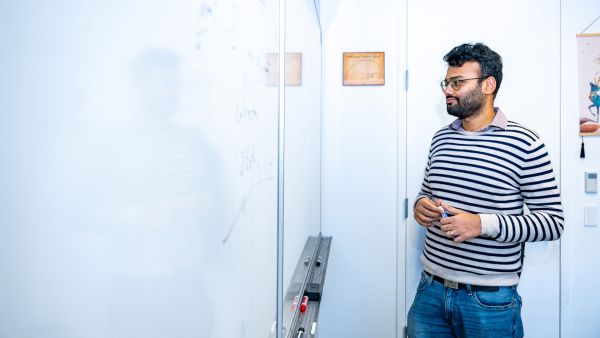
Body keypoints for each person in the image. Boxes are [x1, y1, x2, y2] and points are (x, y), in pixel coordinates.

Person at [408, 43, 564, 338]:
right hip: (429, 291)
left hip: (489, 301)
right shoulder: (441, 139)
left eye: (458, 82)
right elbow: (425, 193)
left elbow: (552, 223)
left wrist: (481, 224)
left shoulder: (525, 144)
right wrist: (420, 206)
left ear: (488, 85)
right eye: (446, 82)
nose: (447, 90)